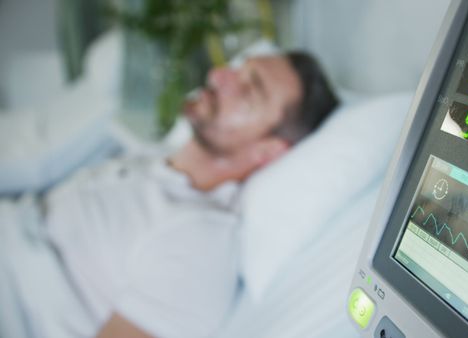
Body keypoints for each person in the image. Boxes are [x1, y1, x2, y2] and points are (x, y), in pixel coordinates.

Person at [0, 51, 339, 338]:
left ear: (267, 151)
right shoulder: (154, 158)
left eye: (250, 89)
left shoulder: (198, 241)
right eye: (238, 70)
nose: (220, 75)